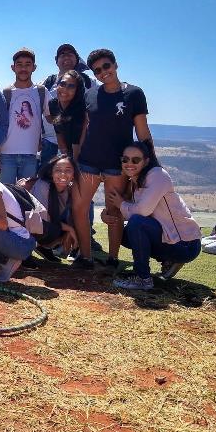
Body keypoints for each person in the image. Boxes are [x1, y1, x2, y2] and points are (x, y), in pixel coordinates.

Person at [72, 48, 154, 270]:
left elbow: (143, 132)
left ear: (115, 65)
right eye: (97, 70)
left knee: (113, 212)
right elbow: (85, 129)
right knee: (78, 208)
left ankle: (112, 259)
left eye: (106, 66)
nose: (102, 72)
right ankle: (85, 257)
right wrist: (76, 158)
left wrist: (151, 164)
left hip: (117, 166)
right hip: (88, 162)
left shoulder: (134, 94)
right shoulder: (90, 95)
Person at [105, 142, 201, 290]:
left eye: (135, 160)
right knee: (123, 234)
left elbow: (142, 212)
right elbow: (134, 211)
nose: (129, 163)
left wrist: (120, 204)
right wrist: (106, 215)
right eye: (125, 159)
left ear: (146, 161)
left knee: (136, 223)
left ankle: (143, 279)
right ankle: (167, 260)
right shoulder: (136, 181)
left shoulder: (157, 175)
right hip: (170, 239)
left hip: (186, 244)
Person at [0, 48, 50, 184]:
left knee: (27, 198)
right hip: (6, 155)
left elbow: (52, 118)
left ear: (34, 67)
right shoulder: (6, 93)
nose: (23, 68)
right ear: (13, 68)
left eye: (28, 64)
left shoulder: (42, 92)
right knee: (7, 196)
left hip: (31, 155)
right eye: (19, 64)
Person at [39, 44, 95, 169]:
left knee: (75, 179)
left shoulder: (89, 81)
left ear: (77, 59)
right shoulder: (47, 83)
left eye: (70, 54)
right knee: (47, 181)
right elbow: (37, 111)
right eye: (62, 54)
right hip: (50, 142)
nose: (66, 57)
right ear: (56, 60)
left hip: (81, 142)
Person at [19, 155, 80, 261]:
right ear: (51, 173)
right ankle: (25, 251)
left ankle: (43, 248)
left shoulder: (69, 189)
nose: (63, 174)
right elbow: (39, 219)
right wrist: (69, 229)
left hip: (41, 223)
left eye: (68, 170)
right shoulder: (43, 185)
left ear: (74, 174)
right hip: (23, 223)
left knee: (62, 226)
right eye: (58, 170)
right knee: (53, 229)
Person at [48, 70, 86, 160]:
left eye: (71, 86)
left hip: (84, 151)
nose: (65, 89)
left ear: (77, 91)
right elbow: (58, 132)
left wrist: (74, 164)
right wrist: (64, 156)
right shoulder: (53, 105)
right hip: (66, 149)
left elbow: (76, 142)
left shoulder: (80, 109)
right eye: (62, 84)